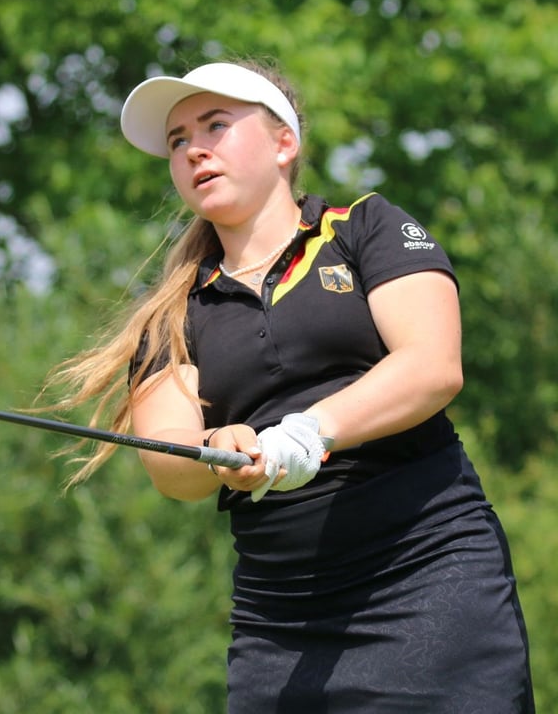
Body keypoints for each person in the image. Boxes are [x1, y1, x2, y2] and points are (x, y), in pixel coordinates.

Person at [44, 58, 534, 712]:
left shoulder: (365, 229)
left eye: (216, 124)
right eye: (178, 139)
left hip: (430, 586)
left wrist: (307, 432)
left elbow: (431, 366)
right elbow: (170, 464)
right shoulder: (170, 312)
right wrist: (220, 447)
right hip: (281, 627)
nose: (195, 148)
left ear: (284, 143)